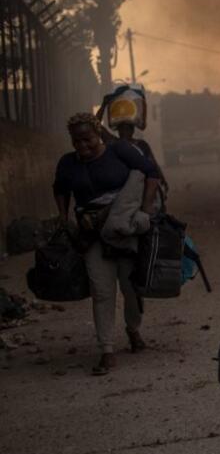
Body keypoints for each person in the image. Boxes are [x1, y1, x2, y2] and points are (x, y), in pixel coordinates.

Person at [53, 112, 164, 375]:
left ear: (98, 133)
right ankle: (107, 349)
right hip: (91, 235)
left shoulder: (121, 152)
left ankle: (133, 330)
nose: (83, 146)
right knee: (102, 292)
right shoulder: (68, 164)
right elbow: (59, 188)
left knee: (130, 288)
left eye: (88, 139)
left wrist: (146, 209)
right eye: (76, 141)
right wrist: (63, 217)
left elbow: (151, 173)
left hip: (125, 232)